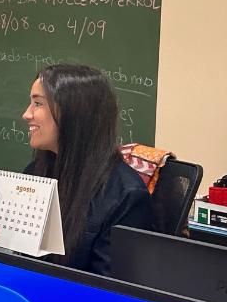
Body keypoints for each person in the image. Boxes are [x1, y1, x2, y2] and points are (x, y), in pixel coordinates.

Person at [23, 62, 152, 275]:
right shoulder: (35, 172)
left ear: (73, 113)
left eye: (38, 104)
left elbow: (108, 287)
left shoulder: (126, 197)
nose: (27, 114)